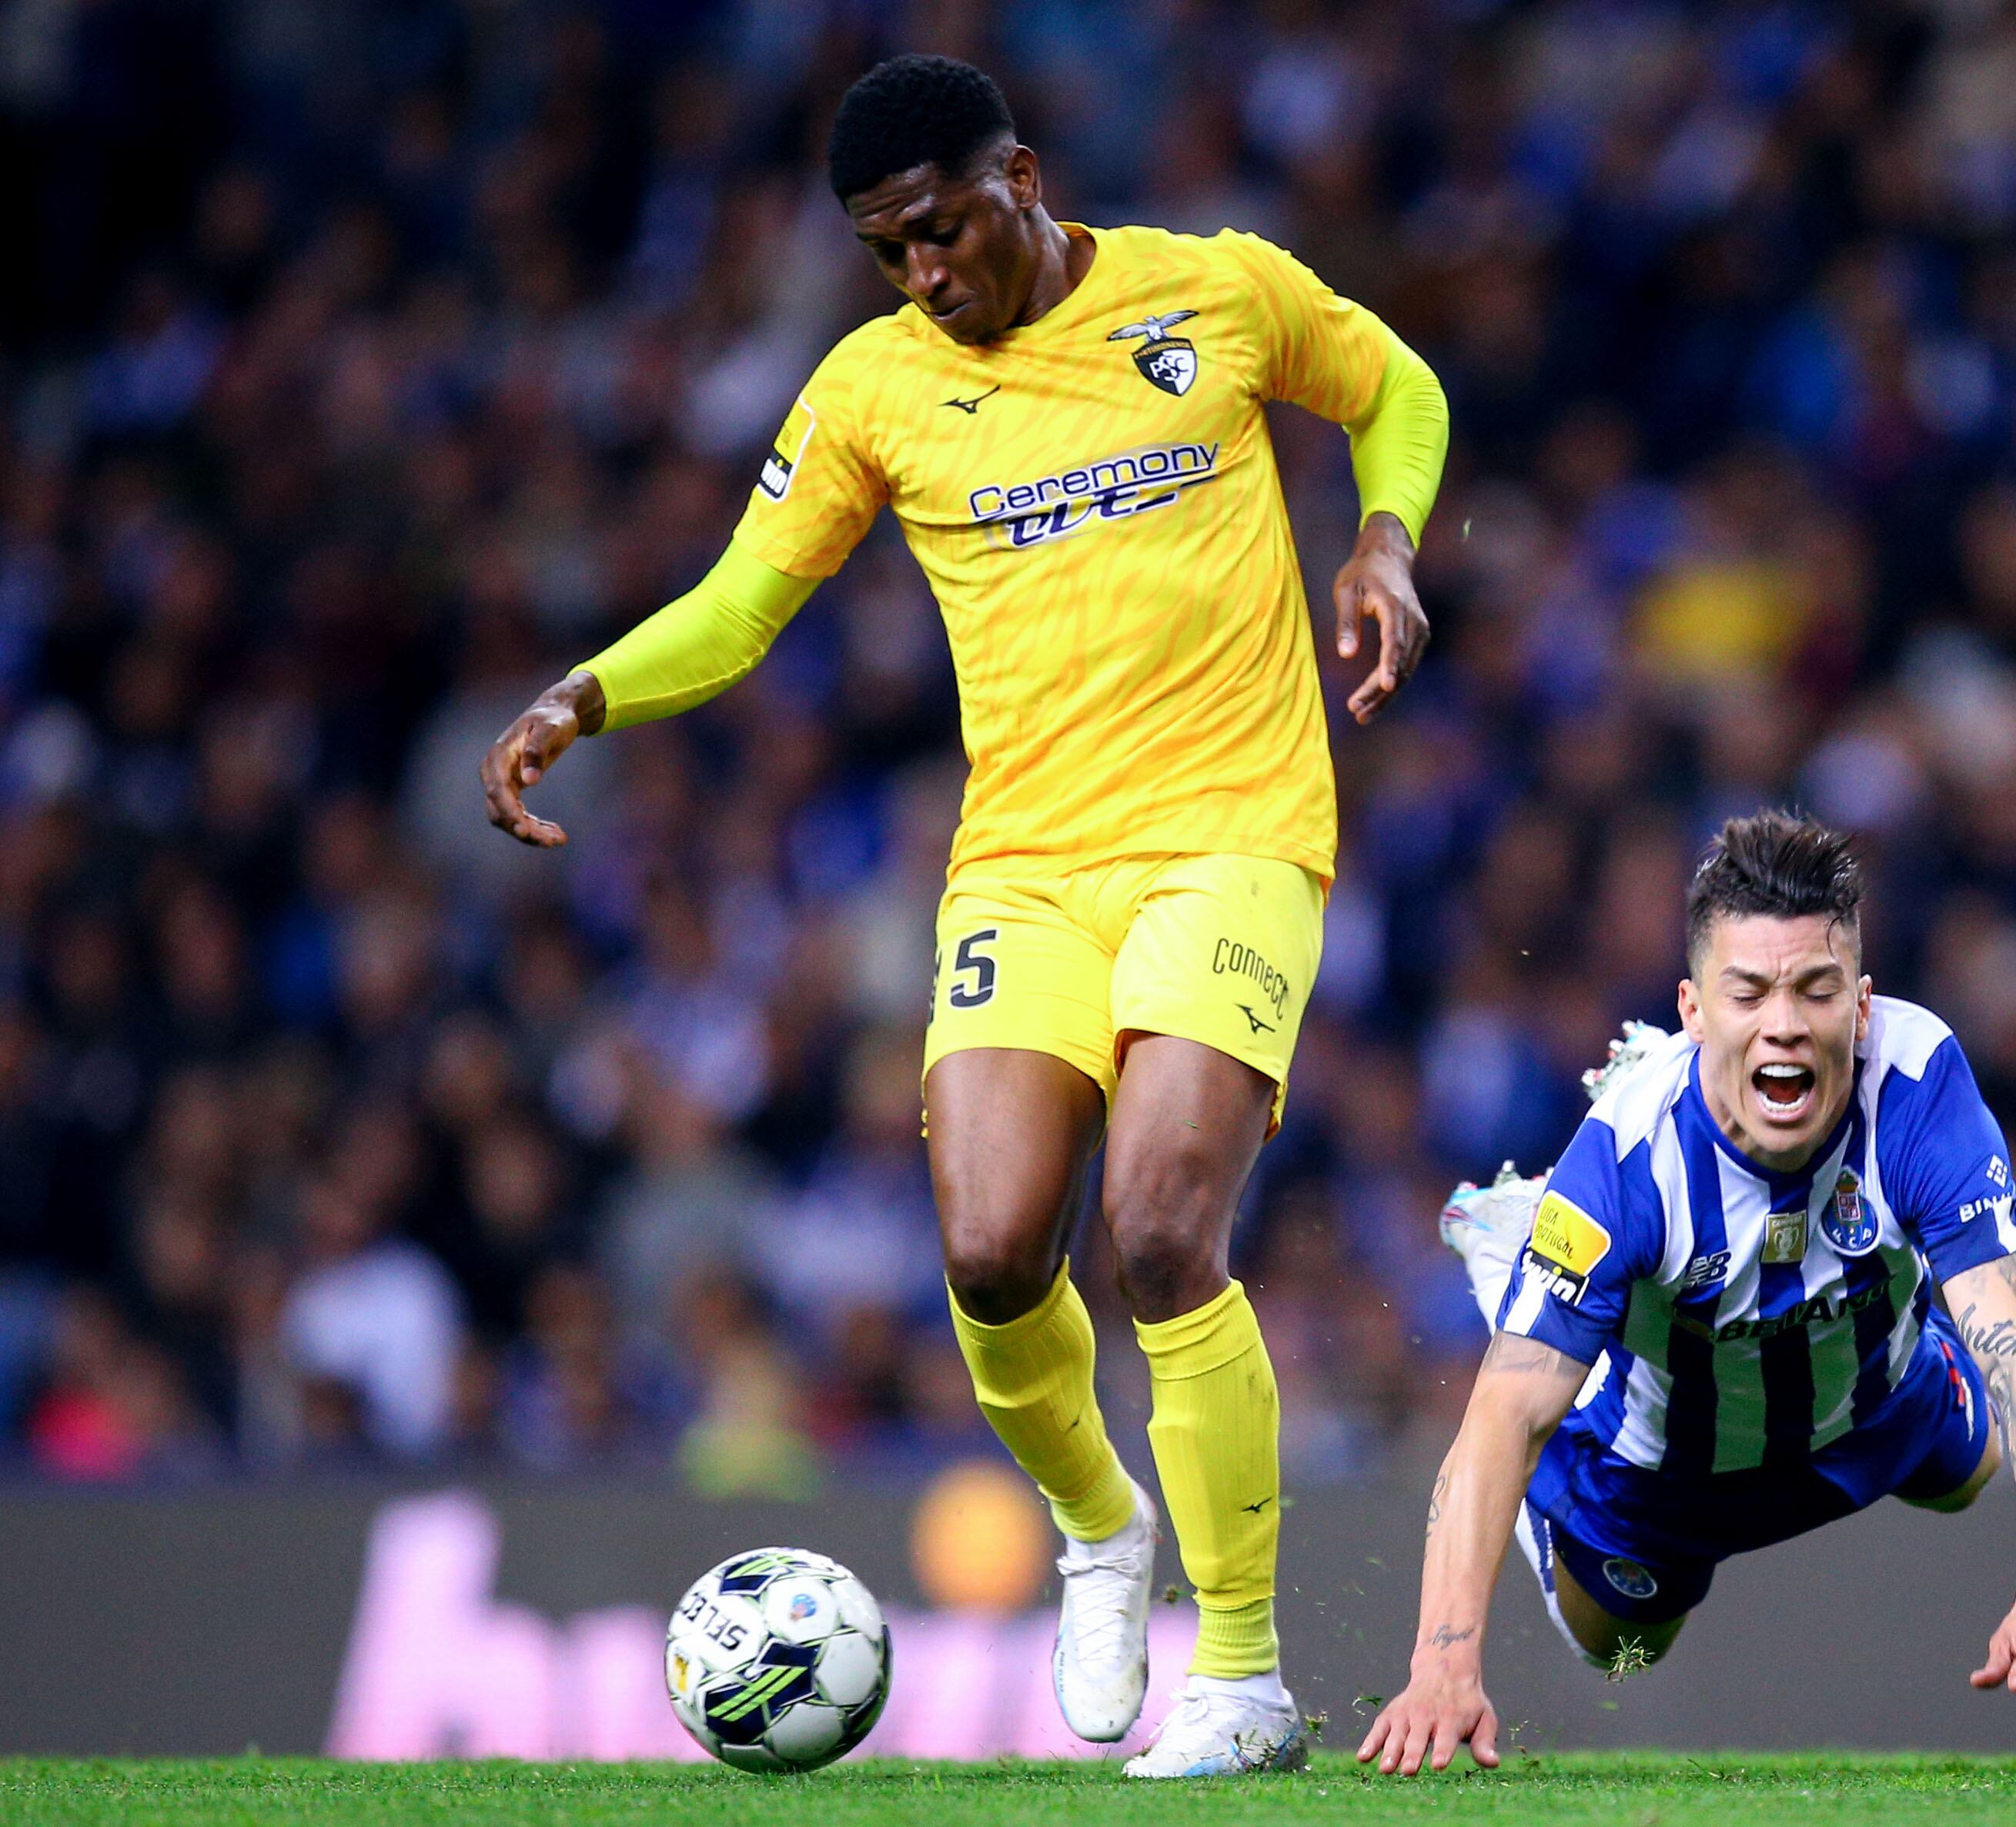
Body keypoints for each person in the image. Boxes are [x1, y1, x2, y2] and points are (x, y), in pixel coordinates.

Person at [481, 53, 1448, 1778]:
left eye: (939, 231)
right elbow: (741, 603)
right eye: (886, 252)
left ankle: (1238, 1675)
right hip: (1023, 864)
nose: (922, 274)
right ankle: (1099, 1521)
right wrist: (584, 694)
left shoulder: (1211, 292)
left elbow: (1397, 384)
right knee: (994, 1253)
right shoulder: (874, 389)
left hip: (1230, 833)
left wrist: (1384, 539)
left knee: (1160, 1224)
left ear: (1023, 180)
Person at [1359, 811, 2016, 1775]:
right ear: (1692, 1010)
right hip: (1670, 1471)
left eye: (1815, 989)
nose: (1784, 1024)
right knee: (1623, 1648)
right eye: (1749, 993)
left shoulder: (1916, 1082)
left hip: (1878, 1402)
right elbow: (1499, 1420)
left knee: (1971, 1470)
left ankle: (1892, 1338)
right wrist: (1443, 1665)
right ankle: (1532, 1273)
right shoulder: (1628, 1164)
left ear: (1861, 1004)